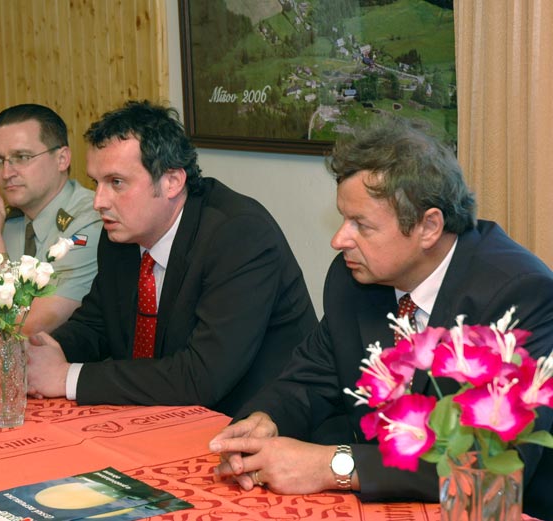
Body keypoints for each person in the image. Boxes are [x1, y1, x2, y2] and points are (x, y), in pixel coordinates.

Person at [208, 118, 553, 520]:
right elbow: (309, 380)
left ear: (429, 226)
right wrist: (266, 420)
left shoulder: (519, 294)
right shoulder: (353, 279)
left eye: (361, 225)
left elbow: (491, 464)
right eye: (343, 219)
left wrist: (332, 466)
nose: (339, 240)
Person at [25, 100, 318, 417]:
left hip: (257, 421)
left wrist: (66, 377)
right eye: (96, 183)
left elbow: (202, 376)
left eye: (116, 183)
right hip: (162, 415)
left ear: (172, 182)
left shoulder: (238, 235)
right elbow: (97, 324)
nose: (99, 202)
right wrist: (43, 352)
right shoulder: (121, 234)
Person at [0, 104, 101, 334]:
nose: (6, 173)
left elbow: (29, 326)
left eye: (21, 157)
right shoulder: (8, 221)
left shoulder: (89, 221)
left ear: (62, 159)